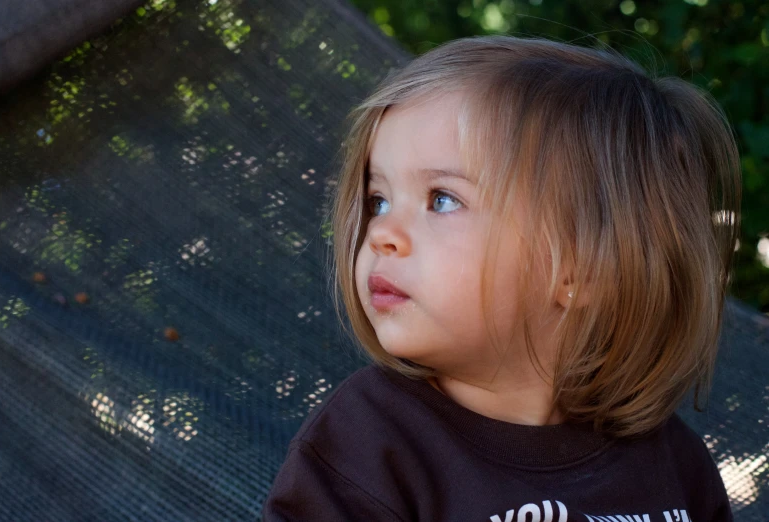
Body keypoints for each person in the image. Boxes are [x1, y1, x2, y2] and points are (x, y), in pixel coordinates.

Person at [262, 35, 740, 521]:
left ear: (583, 268)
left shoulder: (672, 467)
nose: (382, 232)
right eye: (377, 200)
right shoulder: (369, 443)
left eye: (442, 199)